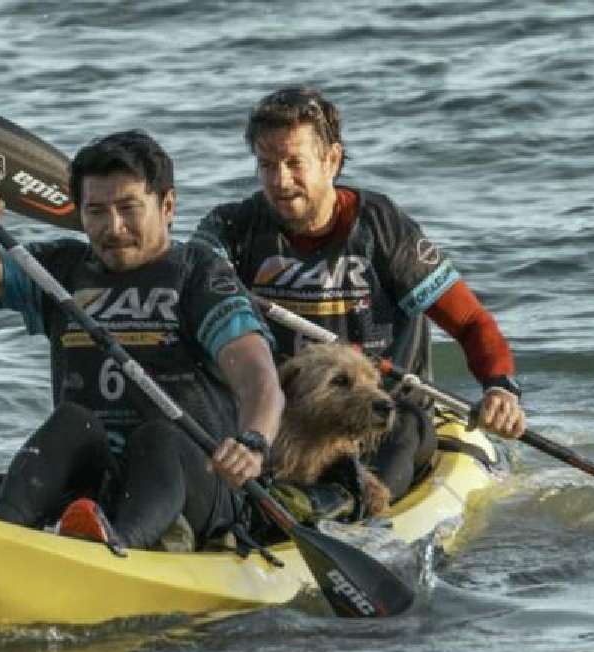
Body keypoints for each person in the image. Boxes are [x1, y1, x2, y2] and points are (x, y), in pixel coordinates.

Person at [0, 130, 284, 551]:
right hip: (99, 486)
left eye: (128, 209)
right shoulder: (61, 271)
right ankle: (0, 533)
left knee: (157, 435)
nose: (113, 228)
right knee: (73, 421)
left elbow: (257, 375)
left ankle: (121, 547)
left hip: (196, 484)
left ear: (167, 206)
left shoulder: (200, 275)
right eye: (96, 212)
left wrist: (253, 443)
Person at [192, 86, 525, 513]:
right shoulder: (232, 226)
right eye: (267, 165)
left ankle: (352, 502)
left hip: (382, 415)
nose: (280, 181)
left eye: (295, 163)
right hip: (282, 418)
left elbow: (470, 322)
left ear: (331, 160)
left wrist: (501, 388)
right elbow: (186, 276)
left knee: (405, 424)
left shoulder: (382, 228)